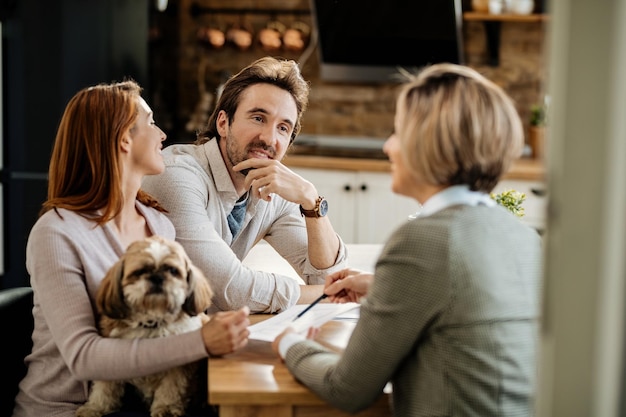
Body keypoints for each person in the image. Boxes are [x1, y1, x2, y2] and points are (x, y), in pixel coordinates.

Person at [272, 63, 543, 416]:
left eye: (398, 132)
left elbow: (347, 388)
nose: (387, 146)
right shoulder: (522, 237)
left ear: (429, 143)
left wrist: (290, 344)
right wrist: (385, 286)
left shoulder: (425, 241)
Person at [12, 80, 250, 417]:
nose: (162, 135)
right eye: (151, 123)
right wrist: (200, 342)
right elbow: (83, 357)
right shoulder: (57, 232)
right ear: (125, 138)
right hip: (68, 409)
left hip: (141, 406)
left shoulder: (159, 224)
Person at [142, 57, 347, 314]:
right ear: (223, 123)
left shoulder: (272, 188)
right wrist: (326, 294)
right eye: (258, 118)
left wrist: (311, 201)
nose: (269, 138)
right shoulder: (177, 177)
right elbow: (232, 291)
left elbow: (329, 276)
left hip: (207, 332)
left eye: (283, 128)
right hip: (151, 338)